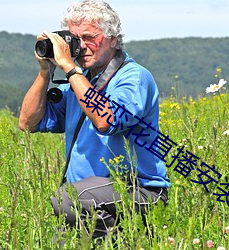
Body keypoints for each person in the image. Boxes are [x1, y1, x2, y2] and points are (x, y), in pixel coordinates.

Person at [19, 0, 171, 244]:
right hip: (89, 199)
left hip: (138, 191)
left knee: (67, 200)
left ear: (112, 39)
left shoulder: (133, 77)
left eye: (89, 37)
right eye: (75, 39)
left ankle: (125, 241)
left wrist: (69, 67)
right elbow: (28, 123)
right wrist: (45, 70)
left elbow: (106, 120)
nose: (81, 47)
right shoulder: (78, 83)